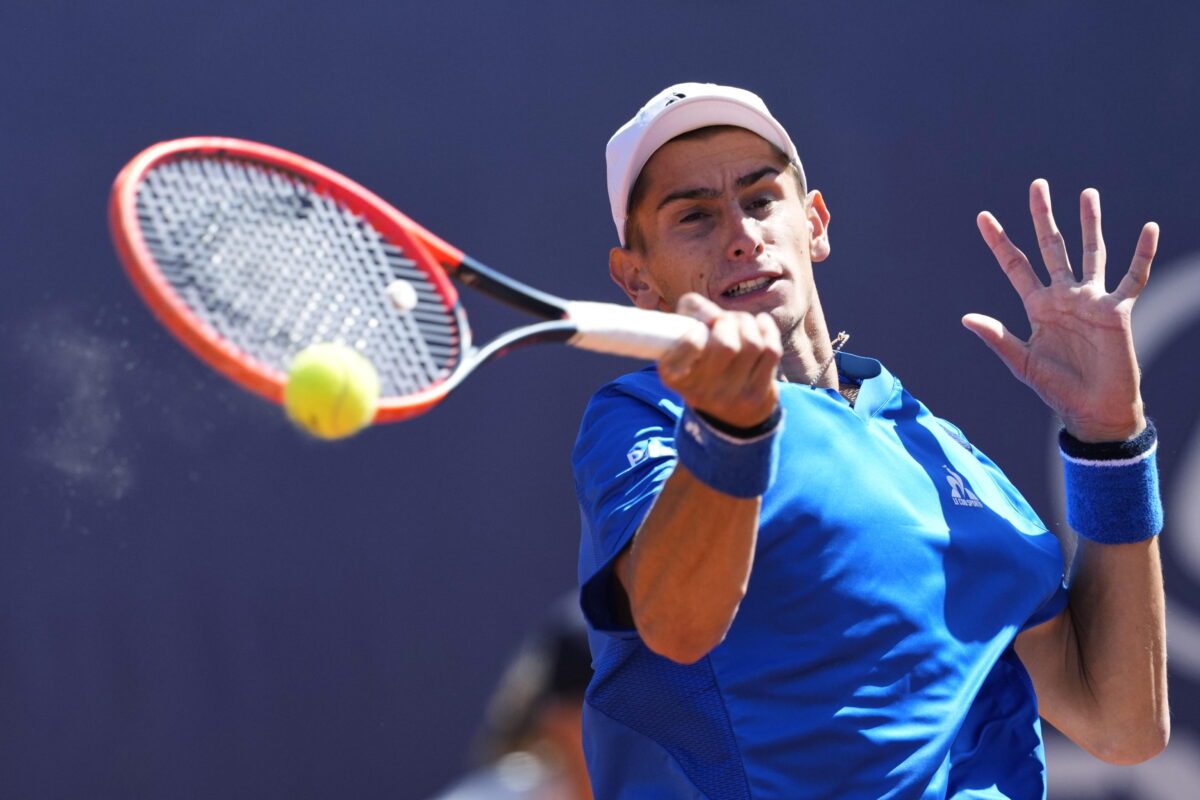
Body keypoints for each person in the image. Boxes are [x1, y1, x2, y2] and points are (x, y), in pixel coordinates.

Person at [572, 83, 1168, 799]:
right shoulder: (645, 417)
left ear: (814, 223)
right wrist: (730, 429)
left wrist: (1109, 441)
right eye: (694, 216)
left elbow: (1122, 722)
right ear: (636, 277)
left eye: (761, 200)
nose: (741, 234)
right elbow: (674, 623)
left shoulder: (936, 445)